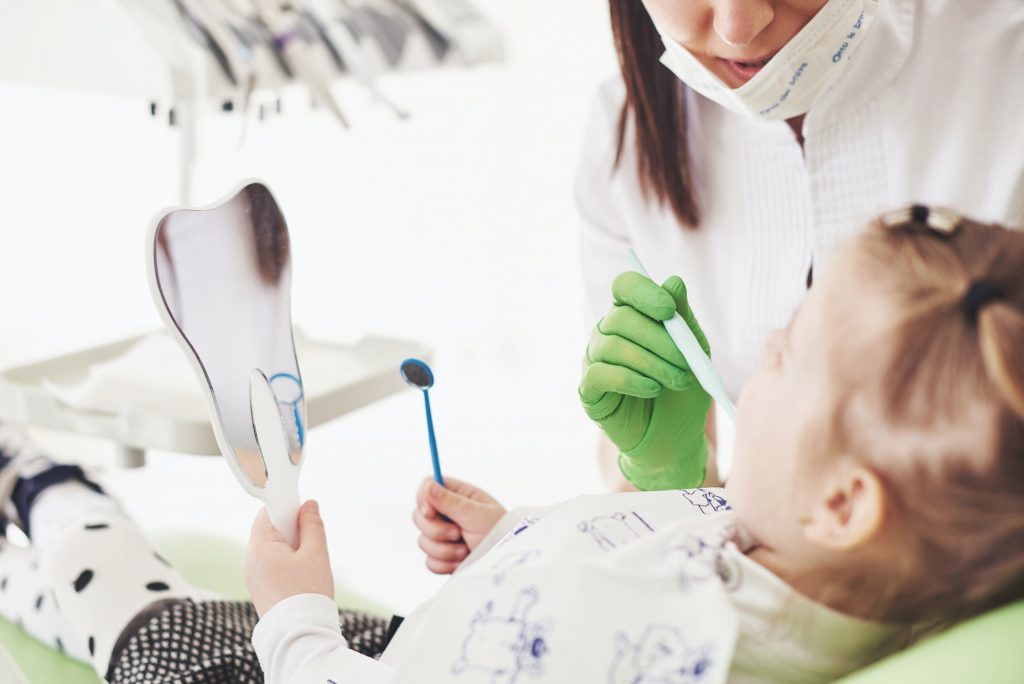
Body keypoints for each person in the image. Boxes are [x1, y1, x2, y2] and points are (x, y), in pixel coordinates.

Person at [1, 207, 1022, 682]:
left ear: (843, 501)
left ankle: (45, 487)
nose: (760, 352)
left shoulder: (651, 654)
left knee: (156, 637)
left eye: (789, 358)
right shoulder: (816, 566)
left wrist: (297, 621)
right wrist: (508, 539)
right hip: (424, 651)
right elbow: (654, 544)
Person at [577, 0, 1024, 490]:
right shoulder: (625, 134)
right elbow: (682, 516)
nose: (739, 28)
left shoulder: (1006, 62)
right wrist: (663, 470)